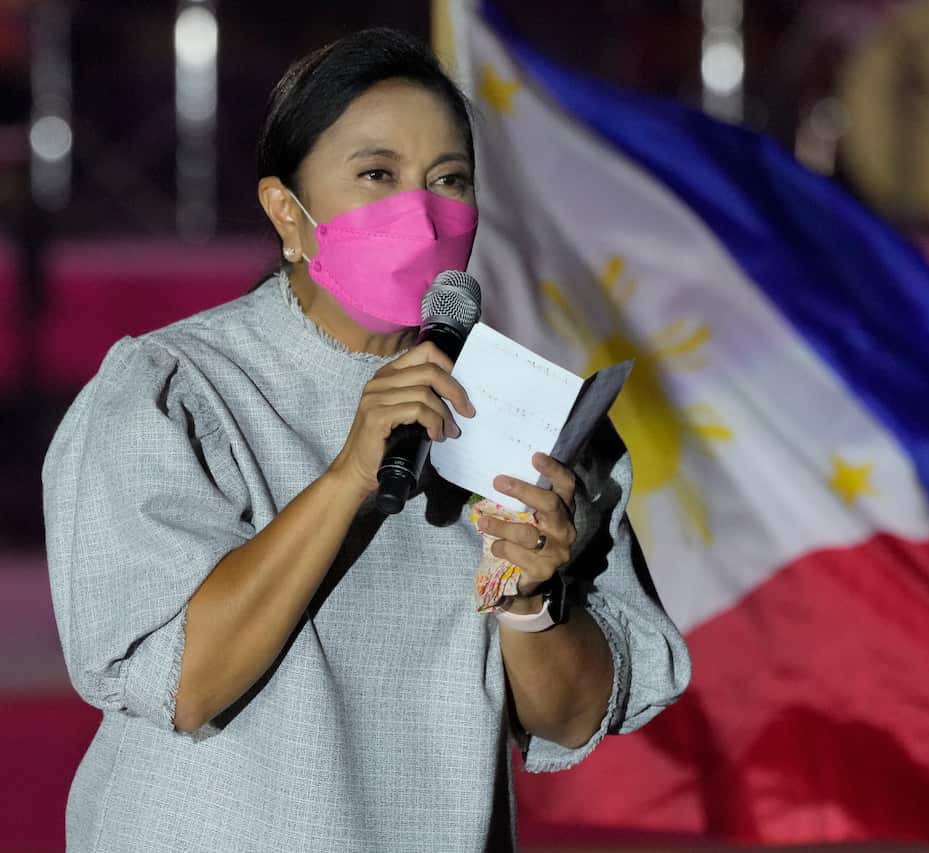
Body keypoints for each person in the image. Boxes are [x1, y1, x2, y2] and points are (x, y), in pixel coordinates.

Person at [43, 27, 690, 852]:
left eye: (449, 179)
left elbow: (571, 721)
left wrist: (530, 599)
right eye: (377, 175)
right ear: (287, 210)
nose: (420, 211)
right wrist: (349, 475)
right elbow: (186, 684)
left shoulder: (529, 416)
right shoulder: (181, 390)